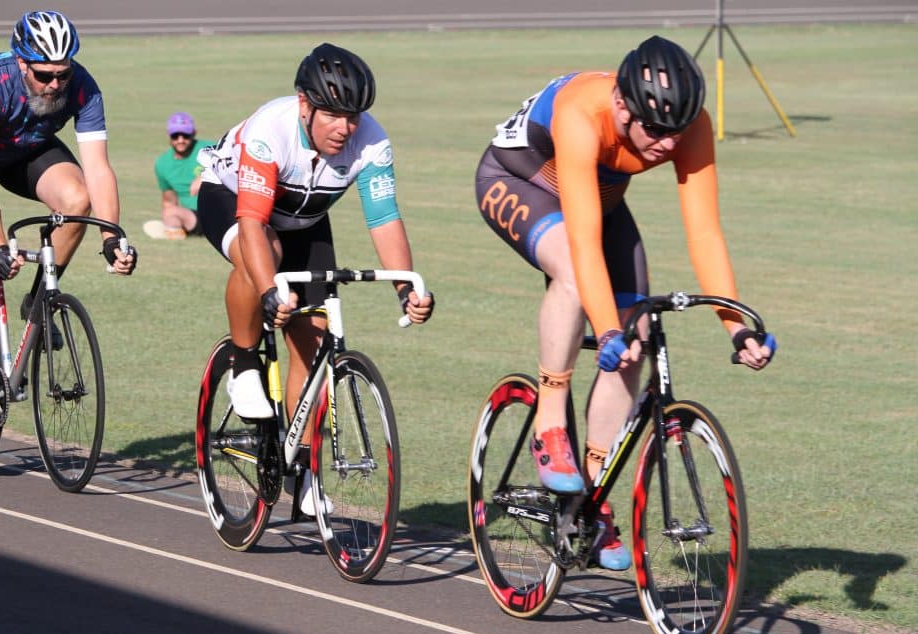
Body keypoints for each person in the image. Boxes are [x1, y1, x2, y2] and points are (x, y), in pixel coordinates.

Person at [475, 35, 776, 570]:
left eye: (677, 131)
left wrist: (736, 326)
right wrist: (604, 328)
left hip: (600, 203)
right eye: (656, 130)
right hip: (516, 182)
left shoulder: (689, 126)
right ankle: (549, 423)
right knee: (573, 267)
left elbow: (705, 233)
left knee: (637, 337)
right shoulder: (582, 111)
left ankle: (590, 500)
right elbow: (584, 242)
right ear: (621, 105)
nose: (666, 144)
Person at [197, 43, 435, 513]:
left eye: (353, 117)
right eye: (333, 115)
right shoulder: (271, 131)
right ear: (305, 105)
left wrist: (405, 286)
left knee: (314, 336)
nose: (345, 129)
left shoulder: (373, 142)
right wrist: (269, 292)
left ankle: (303, 469)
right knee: (265, 253)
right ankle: (244, 364)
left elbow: (384, 218)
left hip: (303, 221)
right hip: (231, 202)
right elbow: (251, 223)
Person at [0, 10, 136, 452]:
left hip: (27, 145)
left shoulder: (82, 85)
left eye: (63, 74)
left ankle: (38, 300)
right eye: (45, 75)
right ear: (22, 63)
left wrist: (111, 235)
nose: (55, 85)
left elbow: (98, 169)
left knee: (78, 201)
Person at [144, 112, 213, 240]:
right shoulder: (162, 163)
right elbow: (169, 201)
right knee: (170, 213)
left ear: (194, 133)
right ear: (168, 136)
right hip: (195, 217)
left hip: (221, 210)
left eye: (185, 135)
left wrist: (205, 175)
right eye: (175, 136)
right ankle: (175, 234)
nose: (180, 140)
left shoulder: (210, 149)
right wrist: (168, 219)